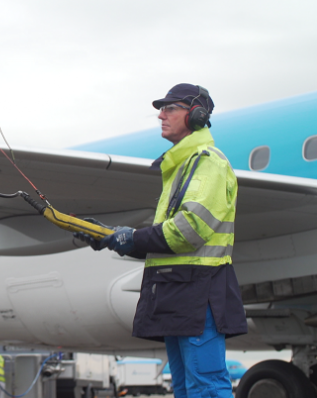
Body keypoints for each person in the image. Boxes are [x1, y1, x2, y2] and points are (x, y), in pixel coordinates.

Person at [74, 84, 247, 398]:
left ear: (196, 115)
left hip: (200, 290)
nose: (161, 115)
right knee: (185, 387)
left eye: (170, 108)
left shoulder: (207, 162)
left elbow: (188, 230)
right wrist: (114, 238)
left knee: (205, 385)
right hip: (179, 289)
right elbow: (167, 243)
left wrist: (131, 238)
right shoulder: (182, 166)